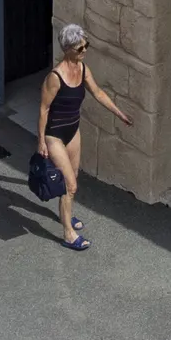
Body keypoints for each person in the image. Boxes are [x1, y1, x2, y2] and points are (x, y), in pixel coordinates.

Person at [37, 23, 131, 251]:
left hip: (73, 131)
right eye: (80, 48)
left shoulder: (83, 68)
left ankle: (66, 214)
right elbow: (44, 109)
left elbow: (97, 92)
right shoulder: (55, 77)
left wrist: (119, 113)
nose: (85, 50)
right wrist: (41, 141)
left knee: (74, 177)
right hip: (55, 136)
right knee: (70, 185)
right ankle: (69, 234)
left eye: (86, 45)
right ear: (67, 49)